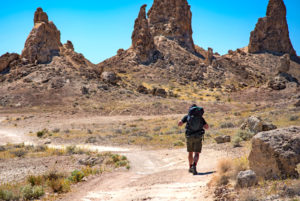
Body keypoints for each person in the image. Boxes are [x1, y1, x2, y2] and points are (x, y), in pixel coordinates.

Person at [178, 104, 209, 175]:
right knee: (197, 153)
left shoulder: (187, 116)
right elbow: (207, 127)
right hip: (198, 136)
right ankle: (194, 165)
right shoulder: (200, 118)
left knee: (190, 152)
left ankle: (190, 167)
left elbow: (179, 123)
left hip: (189, 136)